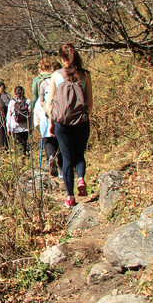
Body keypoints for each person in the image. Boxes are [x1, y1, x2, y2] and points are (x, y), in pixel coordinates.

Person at [46, 43, 94, 208]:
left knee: (67, 159)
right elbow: (89, 102)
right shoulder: (85, 75)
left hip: (62, 123)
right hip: (81, 121)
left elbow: (50, 104)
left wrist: (51, 123)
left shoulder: (56, 75)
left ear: (62, 58)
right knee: (80, 154)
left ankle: (70, 197)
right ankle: (81, 178)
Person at [32, 58, 62, 177]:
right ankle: (61, 168)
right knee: (59, 139)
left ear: (40, 68)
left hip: (44, 112)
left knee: (47, 139)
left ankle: (50, 157)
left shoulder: (38, 81)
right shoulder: (58, 77)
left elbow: (36, 99)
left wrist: (34, 117)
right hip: (59, 112)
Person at [7, 85, 32, 157]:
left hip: (15, 127)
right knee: (24, 144)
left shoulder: (12, 102)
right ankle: (24, 158)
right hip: (25, 127)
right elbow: (30, 116)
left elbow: (8, 116)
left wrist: (8, 128)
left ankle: (20, 160)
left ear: (15, 93)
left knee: (18, 145)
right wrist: (30, 127)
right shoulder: (28, 101)